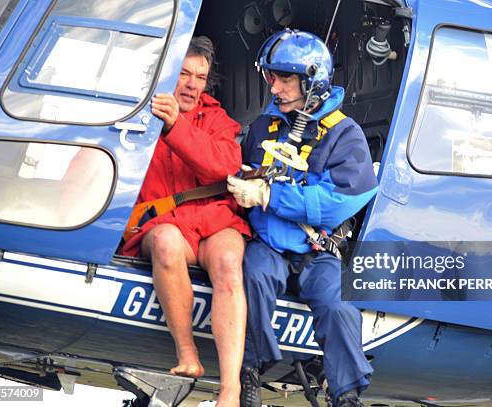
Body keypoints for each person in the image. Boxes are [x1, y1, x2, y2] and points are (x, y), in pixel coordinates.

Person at [227, 29, 377, 407]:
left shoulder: (346, 134)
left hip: (317, 251)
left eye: (284, 78)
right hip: (269, 246)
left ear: (312, 80)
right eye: (271, 77)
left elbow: (341, 200)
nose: (274, 87)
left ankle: (346, 395)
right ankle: (250, 372)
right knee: (254, 276)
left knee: (339, 305)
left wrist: (270, 194)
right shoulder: (264, 127)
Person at [121, 36, 250, 407]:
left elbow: (223, 166)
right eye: (184, 74)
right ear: (166, 74)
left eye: (201, 76)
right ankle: (187, 355)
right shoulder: (141, 112)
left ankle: (230, 389)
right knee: (164, 241)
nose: (193, 85)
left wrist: (176, 126)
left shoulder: (219, 120)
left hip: (212, 223)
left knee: (228, 262)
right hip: (163, 224)